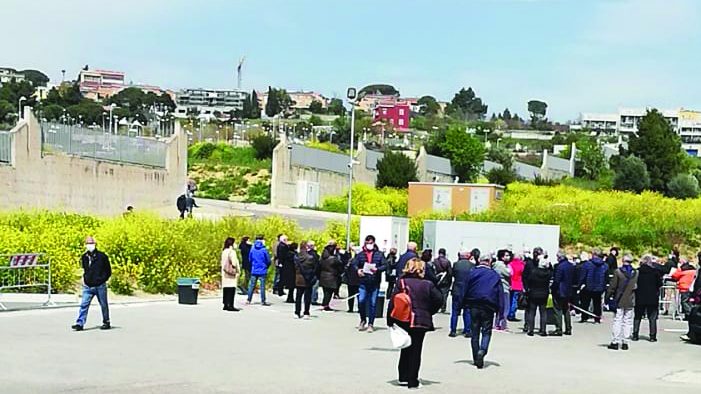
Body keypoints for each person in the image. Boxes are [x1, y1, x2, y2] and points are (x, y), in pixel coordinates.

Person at [387, 258, 442, 389]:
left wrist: (390, 319)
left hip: (403, 319)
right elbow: (439, 299)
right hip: (420, 320)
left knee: (405, 348)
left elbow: (393, 301)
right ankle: (413, 380)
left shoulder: (401, 282)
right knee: (416, 350)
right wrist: (429, 311)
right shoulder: (428, 284)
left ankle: (403, 376)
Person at [462, 254, 502, 369]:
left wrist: (463, 304)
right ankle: (482, 350)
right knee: (486, 331)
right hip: (488, 306)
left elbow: (465, 288)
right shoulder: (495, 275)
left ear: (479, 261)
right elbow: (499, 293)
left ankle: (476, 356)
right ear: (489, 261)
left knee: (475, 331)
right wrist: (500, 311)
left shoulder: (472, 272)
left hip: (474, 304)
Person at [72, 236, 112, 331]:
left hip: (100, 286)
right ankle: (80, 323)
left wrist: (102, 279)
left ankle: (106, 322)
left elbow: (108, 271)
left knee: (103, 304)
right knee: (84, 304)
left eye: (91, 243)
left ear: (95, 244)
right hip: (88, 286)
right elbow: (85, 269)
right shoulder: (84, 257)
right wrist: (85, 279)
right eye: (88, 243)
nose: (89, 245)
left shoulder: (102, 257)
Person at [352, 235, 386, 332]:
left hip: (374, 282)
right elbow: (354, 264)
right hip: (363, 282)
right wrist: (358, 270)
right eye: (367, 243)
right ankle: (363, 319)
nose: (369, 245)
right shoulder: (361, 254)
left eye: (371, 243)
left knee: (373, 303)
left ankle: (371, 323)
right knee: (361, 301)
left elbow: (385, 265)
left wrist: (377, 269)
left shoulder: (379, 254)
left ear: (374, 243)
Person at [606, 254, 638, 350]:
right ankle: (625, 341)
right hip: (630, 299)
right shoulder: (635, 273)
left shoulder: (618, 272)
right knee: (627, 321)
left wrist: (607, 298)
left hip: (619, 299)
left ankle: (615, 341)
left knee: (618, 320)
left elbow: (612, 286)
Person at [633, 254, 663, 342]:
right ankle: (652, 336)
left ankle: (635, 334)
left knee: (637, 316)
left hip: (639, 297)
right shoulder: (655, 272)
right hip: (652, 297)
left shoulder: (637, 272)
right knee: (652, 317)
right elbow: (660, 284)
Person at [449, 249, 475, 338]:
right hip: (468, 291)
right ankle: (467, 330)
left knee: (455, 312)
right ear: (468, 256)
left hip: (457, 290)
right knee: (467, 311)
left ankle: (453, 330)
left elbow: (452, 275)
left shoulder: (456, 265)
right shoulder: (472, 265)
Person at [525, 254, 552, 337]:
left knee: (532, 312)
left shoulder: (533, 272)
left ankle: (531, 330)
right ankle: (543, 330)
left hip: (533, 293)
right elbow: (551, 271)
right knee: (543, 312)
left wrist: (528, 289)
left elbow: (528, 281)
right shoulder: (548, 273)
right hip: (544, 293)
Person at [578, 248, 607, 323]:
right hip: (599, 287)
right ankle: (597, 317)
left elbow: (583, 276)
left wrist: (579, 285)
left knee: (585, 302)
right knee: (597, 303)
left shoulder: (587, 264)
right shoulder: (605, 265)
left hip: (589, 286)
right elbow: (606, 278)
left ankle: (584, 317)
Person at [550, 251, 574, 336]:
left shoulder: (560, 267)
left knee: (558, 310)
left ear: (560, 257)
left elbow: (557, 280)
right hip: (568, 291)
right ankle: (568, 328)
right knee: (566, 310)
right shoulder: (571, 266)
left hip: (560, 291)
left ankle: (559, 328)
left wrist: (552, 288)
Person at [294, 241, 318, 319]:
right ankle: (306, 312)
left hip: (299, 279)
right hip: (308, 279)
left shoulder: (296, 257)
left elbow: (294, 267)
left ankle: (297, 312)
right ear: (306, 247)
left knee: (298, 296)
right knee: (307, 297)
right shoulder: (310, 258)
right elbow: (315, 268)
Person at [246, 235, 271, 306]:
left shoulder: (252, 248)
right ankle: (263, 300)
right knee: (262, 286)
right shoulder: (264, 249)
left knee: (251, 285)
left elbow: (250, 259)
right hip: (262, 269)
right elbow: (268, 260)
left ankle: (248, 299)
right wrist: (266, 266)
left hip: (254, 269)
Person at [319, 241, 343, 311]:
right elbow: (340, 267)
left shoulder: (322, 257)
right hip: (332, 277)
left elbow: (319, 266)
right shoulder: (334, 259)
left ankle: (325, 304)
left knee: (325, 292)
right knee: (329, 292)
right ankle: (325, 305)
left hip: (323, 276)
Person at [493, 250, 512, 331]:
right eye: (506, 255)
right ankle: (502, 324)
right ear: (502, 257)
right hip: (504, 288)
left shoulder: (496, 265)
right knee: (505, 307)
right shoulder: (501, 265)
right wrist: (510, 267)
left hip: (498, 288)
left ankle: (497, 323)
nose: (508, 257)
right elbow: (509, 273)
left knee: (499, 307)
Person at [221, 237, 241, 312]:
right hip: (231, 273)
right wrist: (236, 269)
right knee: (231, 288)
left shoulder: (224, 251)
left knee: (226, 288)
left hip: (225, 272)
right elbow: (234, 262)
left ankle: (225, 304)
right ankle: (230, 305)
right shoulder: (231, 252)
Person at [432, 248, 453, 313]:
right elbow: (450, 272)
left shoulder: (435, 261)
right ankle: (443, 307)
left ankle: (437, 306)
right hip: (445, 280)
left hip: (437, 279)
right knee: (444, 294)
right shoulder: (447, 261)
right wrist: (450, 281)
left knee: (437, 293)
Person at [507, 252, 525, 322]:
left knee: (511, 300)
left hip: (511, 283)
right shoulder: (522, 265)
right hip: (518, 284)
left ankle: (509, 313)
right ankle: (512, 314)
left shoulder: (510, 264)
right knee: (515, 300)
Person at [279, 237, 297, 303]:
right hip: (292, 271)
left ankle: (289, 297)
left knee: (289, 285)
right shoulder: (294, 255)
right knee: (292, 286)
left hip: (286, 271)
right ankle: (290, 298)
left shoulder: (287, 254)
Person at [343, 246, 360, 313]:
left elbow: (346, 269)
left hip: (351, 280)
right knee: (358, 295)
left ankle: (350, 308)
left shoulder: (351, 260)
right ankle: (358, 308)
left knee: (351, 295)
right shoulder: (359, 260)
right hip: (357, 280)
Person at [308, 240, 322, 305]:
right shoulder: (315, 255)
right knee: (314, 287)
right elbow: (317, 265)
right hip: (315, 273)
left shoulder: (306, 254)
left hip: (307, 273)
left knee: (309, 287)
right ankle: (313, 299)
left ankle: (308, 298)